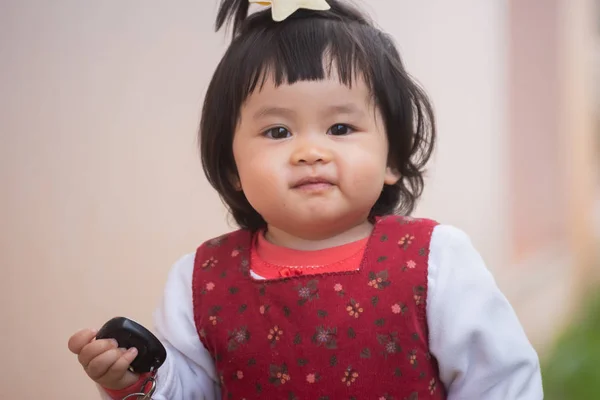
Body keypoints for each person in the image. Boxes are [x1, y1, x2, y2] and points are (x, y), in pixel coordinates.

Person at [67, 0, 544, 398]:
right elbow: (192, 390)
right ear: (232, 167)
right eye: (278, 131)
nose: (310, 151)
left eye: (340, 128)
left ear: (392, 158)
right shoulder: (199, 280)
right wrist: (141, 379)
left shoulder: (435, 260)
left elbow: (500, 382)